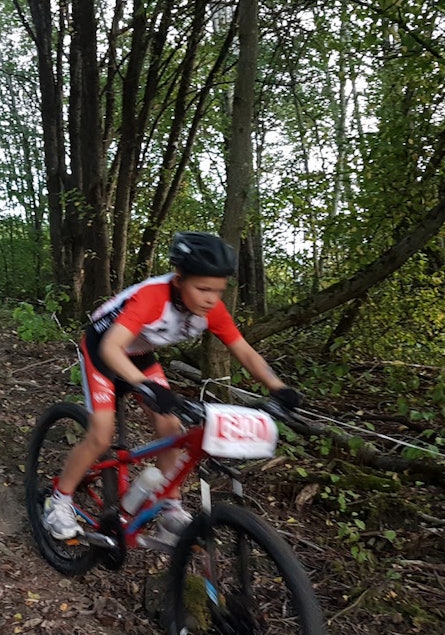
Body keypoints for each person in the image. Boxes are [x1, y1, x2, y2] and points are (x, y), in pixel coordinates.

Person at [43, 232, 303, 541]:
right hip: (104, 350)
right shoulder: (152, 297)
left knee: (172, 428)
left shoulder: (212, 309)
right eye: (203, 288)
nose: (211, 298)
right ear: (178, 279)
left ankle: (171, 508)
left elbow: (244, 351)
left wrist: (278, 388)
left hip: (138, 354)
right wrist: (145, 387)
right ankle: (59, 501)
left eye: (218, 291)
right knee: (101, 434)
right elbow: (111, 349)